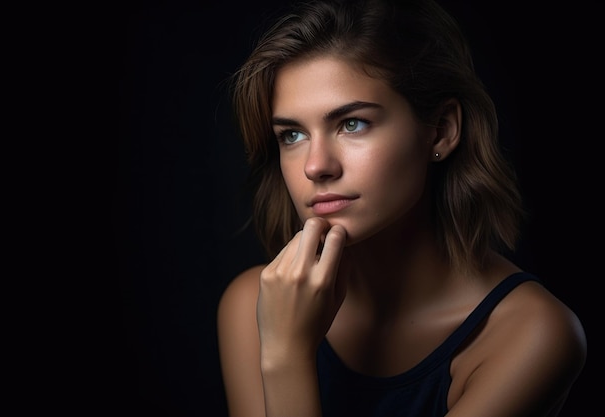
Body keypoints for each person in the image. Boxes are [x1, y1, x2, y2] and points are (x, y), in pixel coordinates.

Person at [216, 0, 587, 416]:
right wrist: (283, 350)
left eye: (352, 123)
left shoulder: (532, 334)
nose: (316, 166)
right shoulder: (252, 304)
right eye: (292, 134)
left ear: (441, 131)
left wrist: (286, 357)